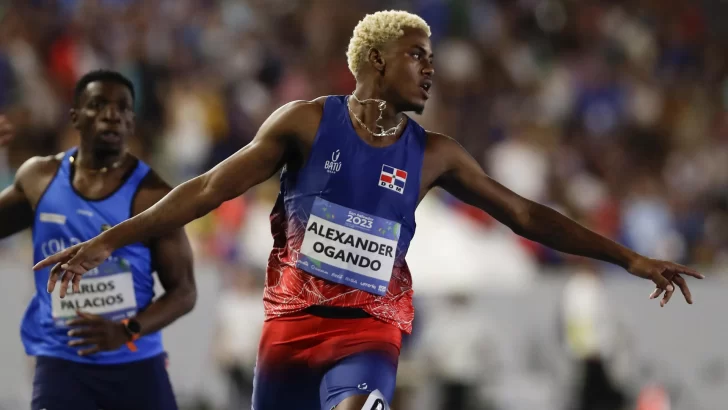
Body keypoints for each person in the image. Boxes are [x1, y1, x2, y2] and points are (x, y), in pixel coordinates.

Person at [35, 11, 703, 410]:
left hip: (370, 332)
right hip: (289, 333)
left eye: (434, 59)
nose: (431, 70)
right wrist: (109, 239)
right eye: (418, 56)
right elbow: (208, 188)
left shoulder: (435, 154)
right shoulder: (302, 123)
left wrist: (627, 257)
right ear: (377, 61)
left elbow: (524, 215)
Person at [3, 69, 196, 410]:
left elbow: (184, 292)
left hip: (135, 364)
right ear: (75, 116)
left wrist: (125, 331)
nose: (112, 114)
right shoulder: (39, 179)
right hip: (61, 361)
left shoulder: (153, 196)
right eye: (98, 104)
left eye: (123, 107)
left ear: (132, 122)